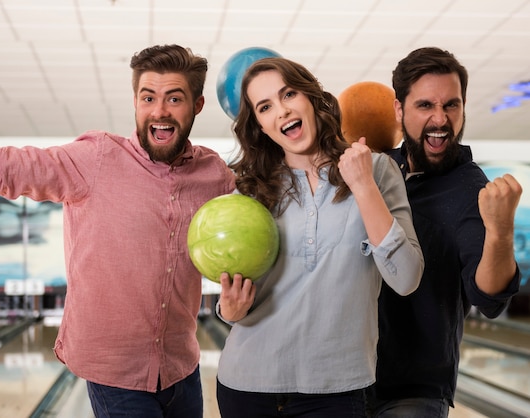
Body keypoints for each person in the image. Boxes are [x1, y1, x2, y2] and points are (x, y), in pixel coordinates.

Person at [0, 37, 235, 418]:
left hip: (183, 369)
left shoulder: (215, 175)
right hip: (114, 374)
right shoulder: (95, 159)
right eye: (148, 98)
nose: (159, 111)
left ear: (197, 105)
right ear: (135, 102)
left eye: (174, 98)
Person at [214, 57, 424, 417]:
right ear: (261, 127)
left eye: (289, 94)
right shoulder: (250, 192)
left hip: (338, 391)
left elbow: (406, 279)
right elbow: (234, 295)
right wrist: (227, 310)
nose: (281, 111)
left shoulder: (376, 170)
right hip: (247, 384)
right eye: (265, 107)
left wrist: (362, 187)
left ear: (311, 97)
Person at [367, 47, 523, 418]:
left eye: (451, 105)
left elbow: (487, 296)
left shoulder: (470, 189)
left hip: (414, 390)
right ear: (399, 110)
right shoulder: (378, 169)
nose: (441, 119)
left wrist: (500, 231)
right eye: (425, 106)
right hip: (348, 379)